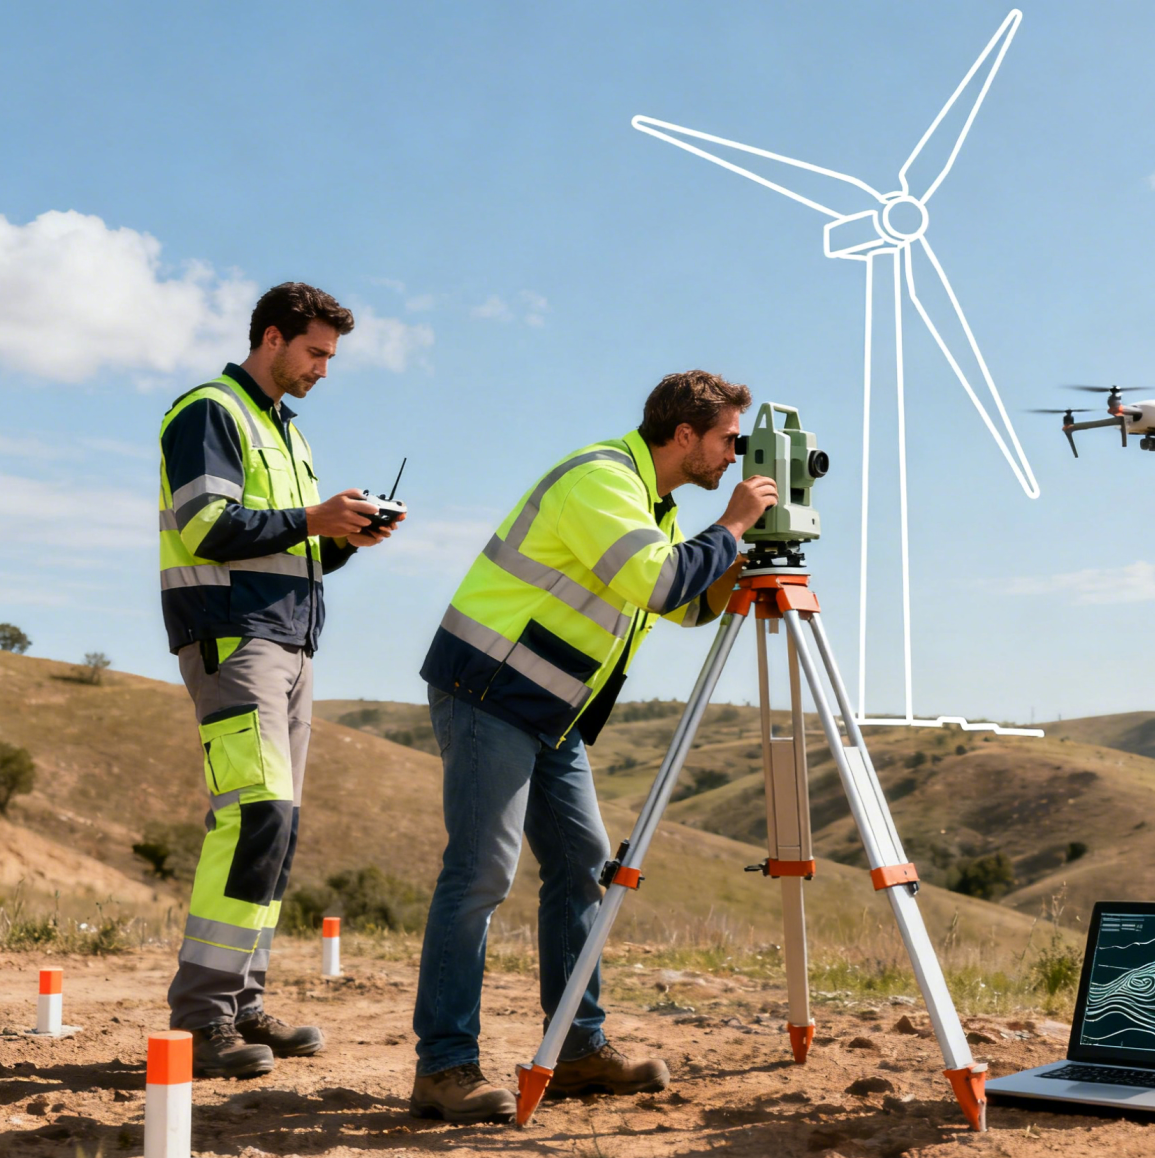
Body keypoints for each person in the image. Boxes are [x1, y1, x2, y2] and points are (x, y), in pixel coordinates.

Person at [408, 370, 778, 1123]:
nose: (734, 457)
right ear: (684, 435)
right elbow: (660, 583)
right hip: (490, 689)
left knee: (584, 866)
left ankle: (577, 1049)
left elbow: (686, 607)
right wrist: (733, 525)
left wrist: (744, 554)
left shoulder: (652, 502)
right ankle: (443, 1066)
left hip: (551, 708)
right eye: (728, 441)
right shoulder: (600, 481)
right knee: (481, 874)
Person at [158, 282, 404, 1077]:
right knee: (252, 817)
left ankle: (241, 1002)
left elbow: (287, 543)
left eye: (331, 356)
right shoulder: (210, 411)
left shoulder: (286, 433)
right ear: (272, 338)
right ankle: (202, 1018)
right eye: (315, 353)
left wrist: (343, 539)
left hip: (293, 643)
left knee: (277, 827)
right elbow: (206, 526)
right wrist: (313, 519)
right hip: (235, 640)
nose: (324, 370)